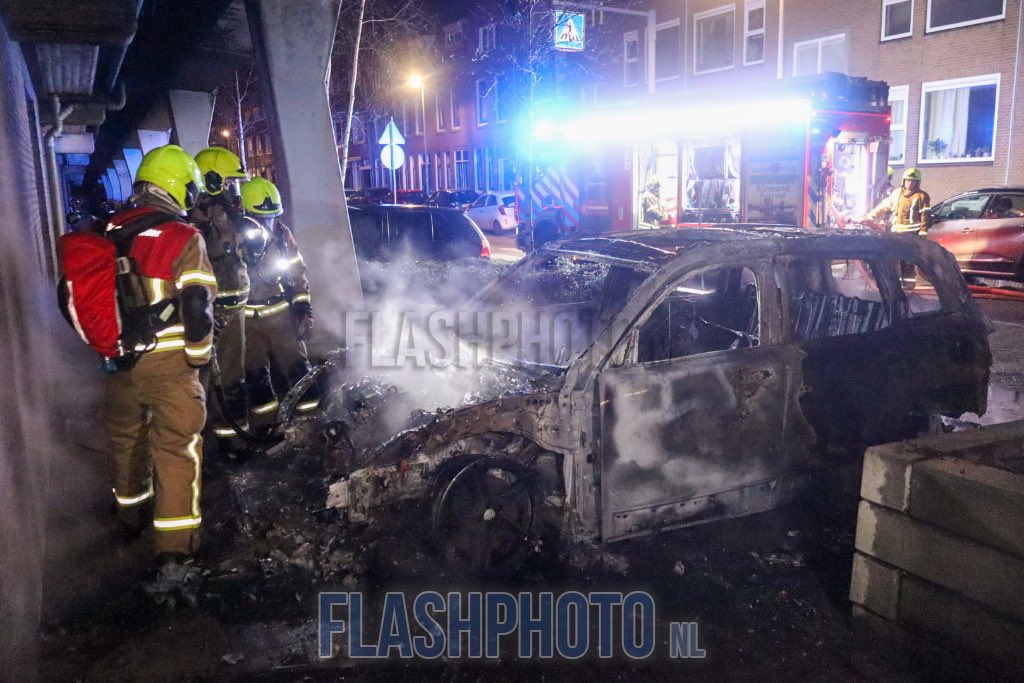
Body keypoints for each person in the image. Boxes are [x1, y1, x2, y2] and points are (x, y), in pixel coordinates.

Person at [99, 145, 217, 562]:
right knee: (176, 451)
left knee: (127, 440)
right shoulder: (184, 237)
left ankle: (130, 518)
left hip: (117, 362)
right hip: (168, 365)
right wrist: (199, 358)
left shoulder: (107, 230)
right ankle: (175, 550)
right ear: (175, 185)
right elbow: (198, 306)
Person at [239, 177, 320, 433]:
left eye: (272, 217)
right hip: (247, 324)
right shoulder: (232, 239)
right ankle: (267, 430)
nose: (268, 224)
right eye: (261, 218)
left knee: (301, 373)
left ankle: (312, 424)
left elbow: (298, 273)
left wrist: (304, 310)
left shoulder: (282, 236)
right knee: (256, 380)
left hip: (281, 317)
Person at [188, 147, 250, 451]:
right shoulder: (195, 219)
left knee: (233, 380)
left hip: (234, 309)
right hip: (209, 313)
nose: (234, 191)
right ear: (212, 182)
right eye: (229, 183)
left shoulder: (227, 215)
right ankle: (201, 450)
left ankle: (234, 444)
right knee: (201, 383)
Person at [863, 167, 931, 235]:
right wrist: (870, 217)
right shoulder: (897, 193)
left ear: (917, 182)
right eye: (908, 180)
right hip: (896, 232)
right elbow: (883, 206)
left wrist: (923, 233)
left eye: (913, 181)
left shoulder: (922, 196)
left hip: (913, 234)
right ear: (903, 181)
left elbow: (925, 216)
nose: (910, 183)